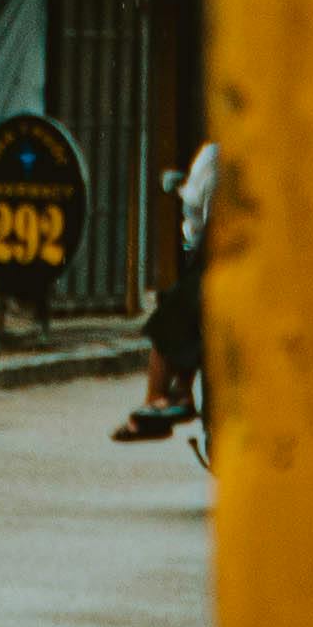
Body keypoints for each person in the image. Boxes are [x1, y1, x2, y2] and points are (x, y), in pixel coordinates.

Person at [120, 136, 215, 441]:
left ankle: (161, 397)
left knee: (170, 320)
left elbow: (194, 211)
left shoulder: (217, 155)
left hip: (226, 258)